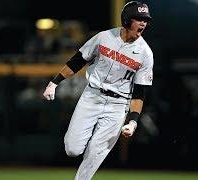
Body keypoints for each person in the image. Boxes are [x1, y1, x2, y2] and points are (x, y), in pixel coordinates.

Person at [43, 1, 154, 179]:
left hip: (118, 105)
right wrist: (54, 83)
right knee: (72, 149)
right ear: (126, 20)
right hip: (92, 96)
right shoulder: (104, 37)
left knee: (96, 152)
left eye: (145, 20)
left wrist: (133, 121)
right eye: (139, 19)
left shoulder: (145, 53)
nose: (143, 23)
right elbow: (78, 60)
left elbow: (140, 92)